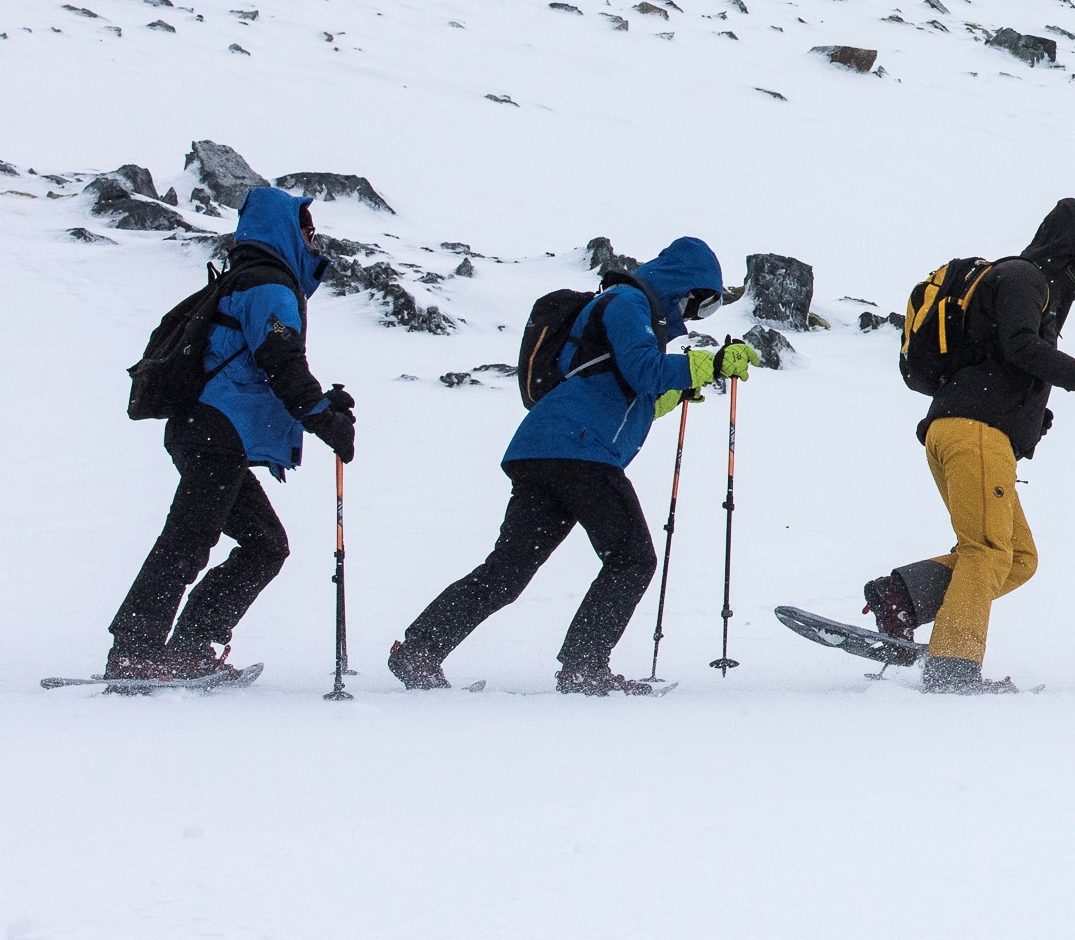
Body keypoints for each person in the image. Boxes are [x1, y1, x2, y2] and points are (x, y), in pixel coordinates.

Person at [389, 238, 747, 695]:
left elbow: (623, 391)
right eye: (706, 303)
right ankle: (583, 666)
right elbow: (643, 371)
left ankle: (420, 651)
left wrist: (675, 389)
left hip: (546, 450)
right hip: (578, 452)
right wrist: (709, 364)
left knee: (508, 571)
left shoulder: (633, 313)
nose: (699, 315)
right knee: (632, 559)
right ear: (685, 287)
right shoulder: (627, 302)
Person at [862, 198, 1075, 695]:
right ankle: (953, 672)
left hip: (973, 430)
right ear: (1067, 247)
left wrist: (1033, 413)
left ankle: (902, 596)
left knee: (1017, 557)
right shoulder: (1023, 277)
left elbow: (1005, 360)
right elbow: (1020, 347)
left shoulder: (1035, 289)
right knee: (987, 550)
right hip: (973, 431)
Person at [106, 187, 355, 682]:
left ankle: (185, 648)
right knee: (188, 539)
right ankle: (135, 652)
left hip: (211, 431)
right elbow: (281, 364)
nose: (313, 242)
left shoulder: (251, 281)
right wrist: (327, 421)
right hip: (215, 431)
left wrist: (326, 406)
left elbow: (267, 364)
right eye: (308, 232)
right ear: (289, 230)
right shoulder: (267, 286)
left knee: (264, 544)